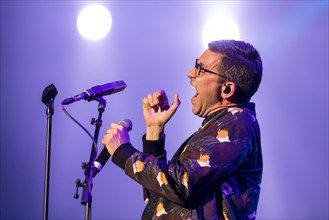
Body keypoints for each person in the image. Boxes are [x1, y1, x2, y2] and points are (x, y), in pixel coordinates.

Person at [102, 40, 263, 219]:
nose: (190, 73)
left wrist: (124, 153)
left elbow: (186, 186)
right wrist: (154, 132)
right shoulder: (222, 125)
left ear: (226, 89)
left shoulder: (236, 122)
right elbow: (162, 196)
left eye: (201, 69)